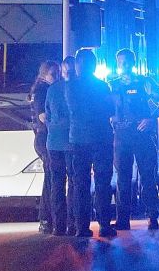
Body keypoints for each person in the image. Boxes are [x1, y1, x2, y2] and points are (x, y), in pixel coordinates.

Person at [109, 48, 159, 231]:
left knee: (148, 177)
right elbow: (104, 106)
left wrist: (151, 118)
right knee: (122, 179)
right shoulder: (112, 85)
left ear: (133, 63)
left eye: (127, 62)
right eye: (120, 62)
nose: (124, 65)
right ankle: (122, 219)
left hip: (142, 134)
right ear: (117, 64)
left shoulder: (145, 83)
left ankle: (152, 216)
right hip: (121, 136)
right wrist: (109, 118)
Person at [65, 48, 116, 238]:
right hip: (101, 138)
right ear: (94, 65)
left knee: (80, 184)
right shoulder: (102, 86)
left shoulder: (69, 86)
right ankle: (104, 225)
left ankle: (82, 227)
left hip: (78, 139)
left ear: (78, 64)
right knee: (103, 182)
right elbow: (110, 109)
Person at [45, 56, 77, 236]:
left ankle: (58, 225)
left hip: (53, 142)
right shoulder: (78, 89)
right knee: (74, 183)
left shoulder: (52, 89)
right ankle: (73, 224)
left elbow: (47, 114)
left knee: (56, 184)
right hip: (72, 142)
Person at [29, 60, 60, 234]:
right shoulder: (43, 91)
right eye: (52, 74)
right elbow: (43, 117)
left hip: (43, 138)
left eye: (57, 74)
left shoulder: (40, 89)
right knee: (51, 179)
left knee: (51, 178)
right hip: (45, 138)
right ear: (44, 74)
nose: (56, 78)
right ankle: (46, 218)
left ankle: (47, 218)